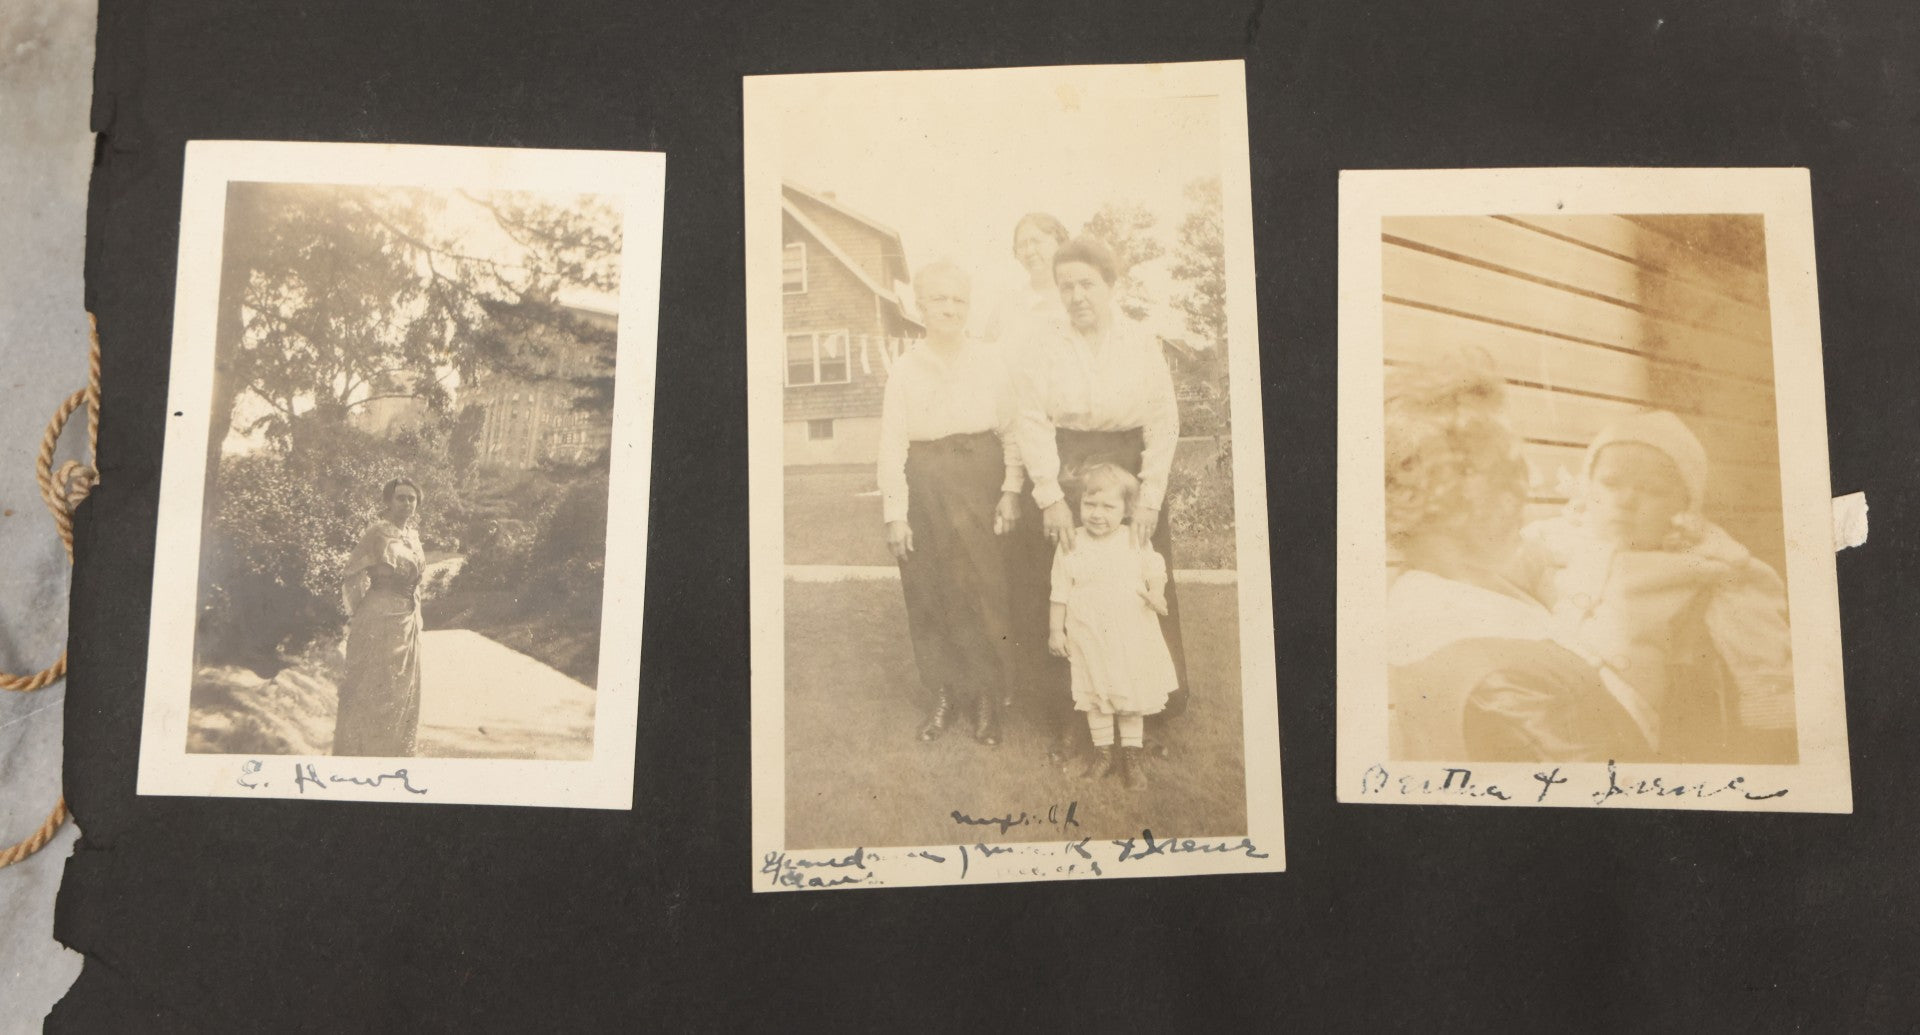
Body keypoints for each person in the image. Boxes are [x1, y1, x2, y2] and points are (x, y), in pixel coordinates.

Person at [1384, 356, 1650, 763]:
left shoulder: (1472, 590)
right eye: (1509, 468)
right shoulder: (1501, 675)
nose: (1533, 483)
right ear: (1425, 490)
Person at [1510, 410, 1796, 763]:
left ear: (1685, 504)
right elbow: (1495, 581)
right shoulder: (1552, 540)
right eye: (1611, 483)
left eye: (1653, 491)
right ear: (1588, 486)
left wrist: (1771, 723)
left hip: (1626, 716)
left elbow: (1760, 652)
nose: (1627, 500)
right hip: (1542, 698)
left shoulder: (1707, 564)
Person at [1015, 235, 1190, 768]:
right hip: (1067, 474)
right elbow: (1030, 418)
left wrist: (1150, 497)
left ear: (1111, 285)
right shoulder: (1042, 343)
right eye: (1065, 285)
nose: (1076, 295)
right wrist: (1049, 496)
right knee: (1071, 590)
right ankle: (1073, 719)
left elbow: (1162, 422)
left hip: (1127, 476)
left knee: (1137, 589)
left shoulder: (1141, 342)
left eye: (1087, 283)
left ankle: (1148, 712)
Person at [877, 261, 1024, 746]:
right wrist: (896, 513)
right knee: (929, 589)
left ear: (969, 306)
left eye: (958, 299)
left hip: (979, 480)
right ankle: (943, 694)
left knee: (981, 588)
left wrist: (1010, 490)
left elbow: (1013, 430)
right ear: (920, 306)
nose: (949, 308)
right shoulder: (904, 368)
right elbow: (892, 444)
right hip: (924, 486)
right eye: (939, 299)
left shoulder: (990, 361)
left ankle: (986, 699)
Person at [1047, 464, 1179, 790]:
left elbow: (1154, 570)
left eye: (1108, 507)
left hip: (1130, 631)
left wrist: (1156, 592)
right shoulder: (1071, 542)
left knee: (1130, 690)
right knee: (1096, 691)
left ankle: (1131, 756)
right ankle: (1103, 754)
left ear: (1127, 509)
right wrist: (1056, 631)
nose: (1097, 514)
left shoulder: (1134, 538)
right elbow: (1059, 591)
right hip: (1088, 632)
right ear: (1078, 505)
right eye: (1090, 505)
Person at [334, 476, 426, 757]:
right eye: (401, 497)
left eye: (412, 498)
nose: (406, 503)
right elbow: (351, 573)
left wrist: (417, 616)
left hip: (407, 619)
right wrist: (360, 611)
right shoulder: (377, 533)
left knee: (400, 687)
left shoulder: (413, 535)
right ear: (388, 501)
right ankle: (363, 752)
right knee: (376, 686)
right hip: (378, 617)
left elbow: (418, 581)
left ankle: (393, 753)